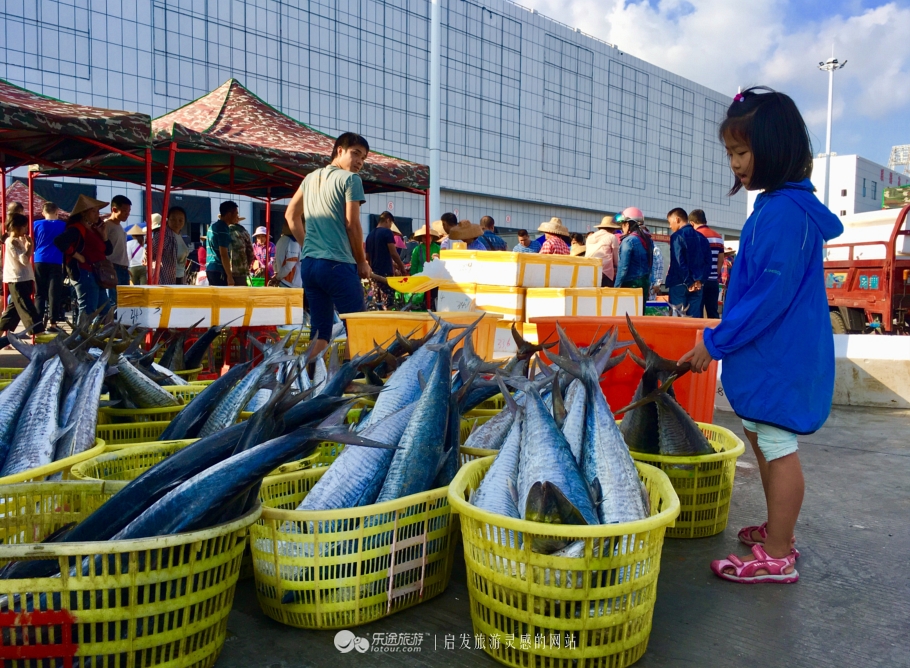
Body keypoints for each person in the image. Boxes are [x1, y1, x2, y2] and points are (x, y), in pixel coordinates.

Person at [679, 87, 843, 585]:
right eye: (730, 153)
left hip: (779, 356)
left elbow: (766, 298)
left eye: (743, 152)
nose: (735, 164)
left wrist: (713, 343)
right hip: (771, 352)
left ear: (777, 148)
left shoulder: (783, 213)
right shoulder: (776, 206)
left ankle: (778, 553)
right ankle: (778, 530)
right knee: (762, 438)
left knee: (776, 445)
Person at [285, 132, 370, 353]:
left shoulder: (310, 178)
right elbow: (353, 224)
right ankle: (350, 380)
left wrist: (308, 246)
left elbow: (291, 216)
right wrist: (361, 261)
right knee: (358, 326)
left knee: (320, 331)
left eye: (364, 158)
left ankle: (307, 380)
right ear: (339, 151)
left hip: (311, 266)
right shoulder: (351, 180)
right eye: (356, 154)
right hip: (337, 264)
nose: (360, 161)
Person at [54, 194, 113, 318]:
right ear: (83, 213)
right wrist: (77, 255)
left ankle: (96, 336)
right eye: (94, 211)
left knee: (106, 311)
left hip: (97, 274)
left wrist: (105, 236)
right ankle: (81, 337)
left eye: (98, 211)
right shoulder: (77, 229)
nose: (98, 214)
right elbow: (59, 241)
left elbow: (108, 251)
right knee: (88, 310)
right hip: (84, 272)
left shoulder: (94, 229)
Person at [1, 213, 43, 335]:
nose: (26, 229)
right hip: (17, 279)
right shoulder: (12, 241)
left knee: (12, 312)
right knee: (27, 309)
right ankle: (38, 333)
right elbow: (24, 260)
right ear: (17, 227)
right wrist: (30, 247)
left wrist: (26, 246)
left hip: (23, 278)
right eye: (24, 227)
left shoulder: (17, 241)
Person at [665, 207, 706, 317]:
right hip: (697, 285)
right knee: (694, 320)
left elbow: (679, 262)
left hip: (679, 283)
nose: (670, 226)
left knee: (677, 319)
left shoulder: (677, 237)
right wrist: (699, 280)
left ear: (677, 219)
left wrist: (689, 282)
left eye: (670, 222)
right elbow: (708, 262)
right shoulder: (702, 237)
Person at [33, 202, 66, 331]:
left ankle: (37, 323)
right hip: (56, 261)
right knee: (54, 293)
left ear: (43, 212)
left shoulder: (36, 224)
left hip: (39, 259)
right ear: (57, 211)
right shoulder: (63, 225)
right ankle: (53, 322)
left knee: (39, 293)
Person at [365, 211, 407, 309]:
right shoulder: (387, 232)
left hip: (374, 275)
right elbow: (393, 253)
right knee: (388, 305)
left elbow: (367, 257)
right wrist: (402, 267)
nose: (390, 226)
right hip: (385, 275)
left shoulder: (369, 235)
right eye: (391, 224)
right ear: (388, 220)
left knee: (377, 304)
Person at [613, 207, 654, 304]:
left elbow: (623, 268)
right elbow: (651, 265)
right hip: (644, 283)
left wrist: (616, 287)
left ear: (627, 224)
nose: (622, 229)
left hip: (631, 284)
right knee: (640, 314)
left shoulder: (628, 241)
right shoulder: (648, 240)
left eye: (622, 225)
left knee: (628, 314)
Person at [689, 209, 724, 318]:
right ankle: (715, 334)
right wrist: (715, 274)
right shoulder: (718, 237)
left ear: (692, 223)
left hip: (698, 281)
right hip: (713, 281)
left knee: (697, 313)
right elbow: (721, 260)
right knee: (713, 312)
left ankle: (698, 334)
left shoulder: (695, 235)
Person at [104, 195, 132, 307]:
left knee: (123, 301)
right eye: (125, 211)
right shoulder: (106, 225)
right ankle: (110, 324)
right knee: (113, 301)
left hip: (123, 267)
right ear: (114, 209)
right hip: (112, 267)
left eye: (129, 211)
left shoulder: (120, 227)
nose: (127, 214)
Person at [206, 202, 235, 286]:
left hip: (210, 268)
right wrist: (229, 276)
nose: (237, 216)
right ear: (229, 214)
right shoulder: (223, 229)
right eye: (236, 213)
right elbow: (223, 254)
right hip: (219, 270)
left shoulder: (213, 226)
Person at [586, 217, 620, 286]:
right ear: (613, 229)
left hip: (589, 269)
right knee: (605, 295)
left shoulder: (590, 237)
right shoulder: (612, 237)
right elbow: (616, 260)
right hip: (605, 272)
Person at [148, 213, 178, 285]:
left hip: (161, 270)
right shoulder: (171, 233)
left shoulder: (159, 235)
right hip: (171, 270)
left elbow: (152, 251)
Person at [273, 219, 301, 289]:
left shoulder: (281, 239)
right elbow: (289, 265)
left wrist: (278, 275)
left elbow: (275, 261)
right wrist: (279, 277)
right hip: (291, 283)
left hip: (285, 281)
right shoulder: (293, 242)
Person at [228, 213, 253, 287]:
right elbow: (250, 252)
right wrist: (245, 265)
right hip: (240, 270)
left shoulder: (222, 230)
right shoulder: (243, 232)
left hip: (224, 271)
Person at [168, 207, 190, 285]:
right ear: (167, 220)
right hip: (168, 279)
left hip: (180, 276)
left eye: (180, 220)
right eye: (173, 219)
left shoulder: (180, 235)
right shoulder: (163, 236)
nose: (177, 223)